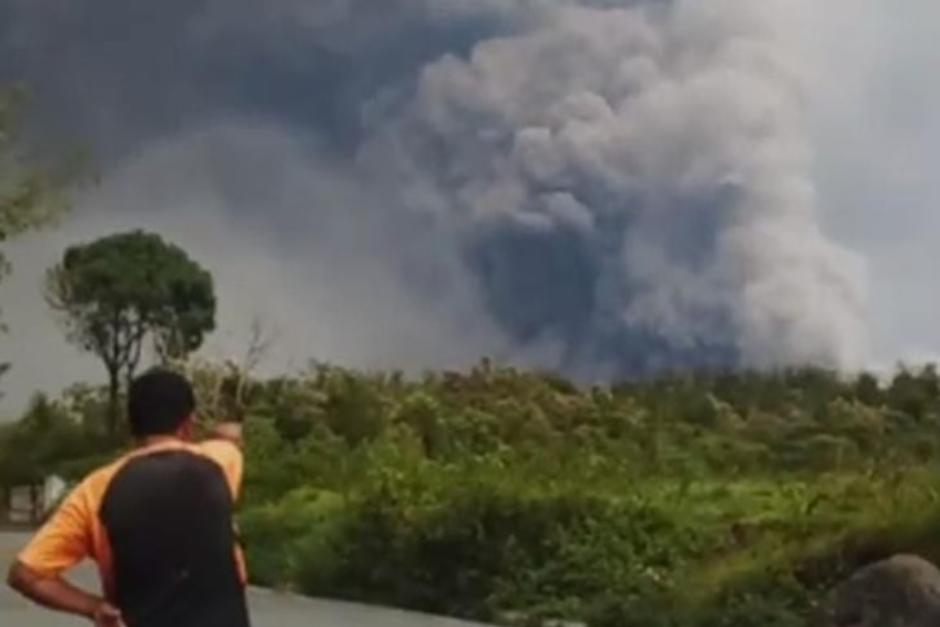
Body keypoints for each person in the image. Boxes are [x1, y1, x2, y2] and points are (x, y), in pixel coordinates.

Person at [6, 368, 251, 627]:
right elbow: (230, 437)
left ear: (130, 427)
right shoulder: (220, 462)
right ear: (188, 425)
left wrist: (94, 608)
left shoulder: (95, 489)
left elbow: (25, 574)